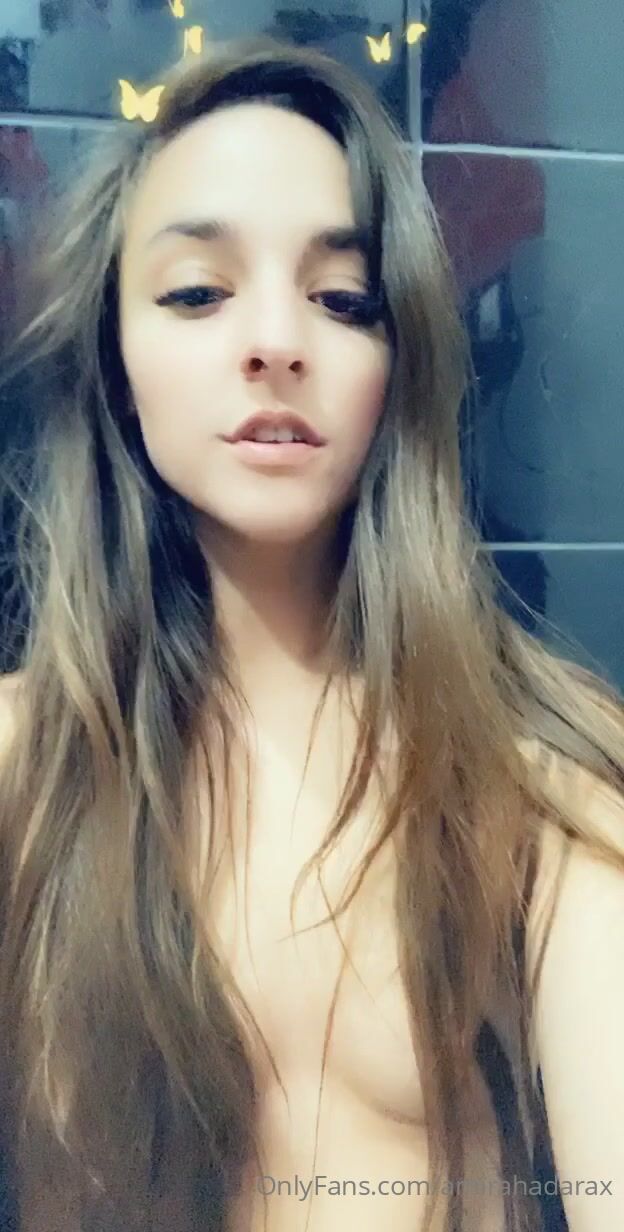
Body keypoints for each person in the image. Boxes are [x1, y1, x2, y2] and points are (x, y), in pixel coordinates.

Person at [0, 34, 622, 1232]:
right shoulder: (23, 766)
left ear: (399, 364)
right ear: (117, 363)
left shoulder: (537, 777)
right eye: (197, 291)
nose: (277, 339)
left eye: (344, 299)